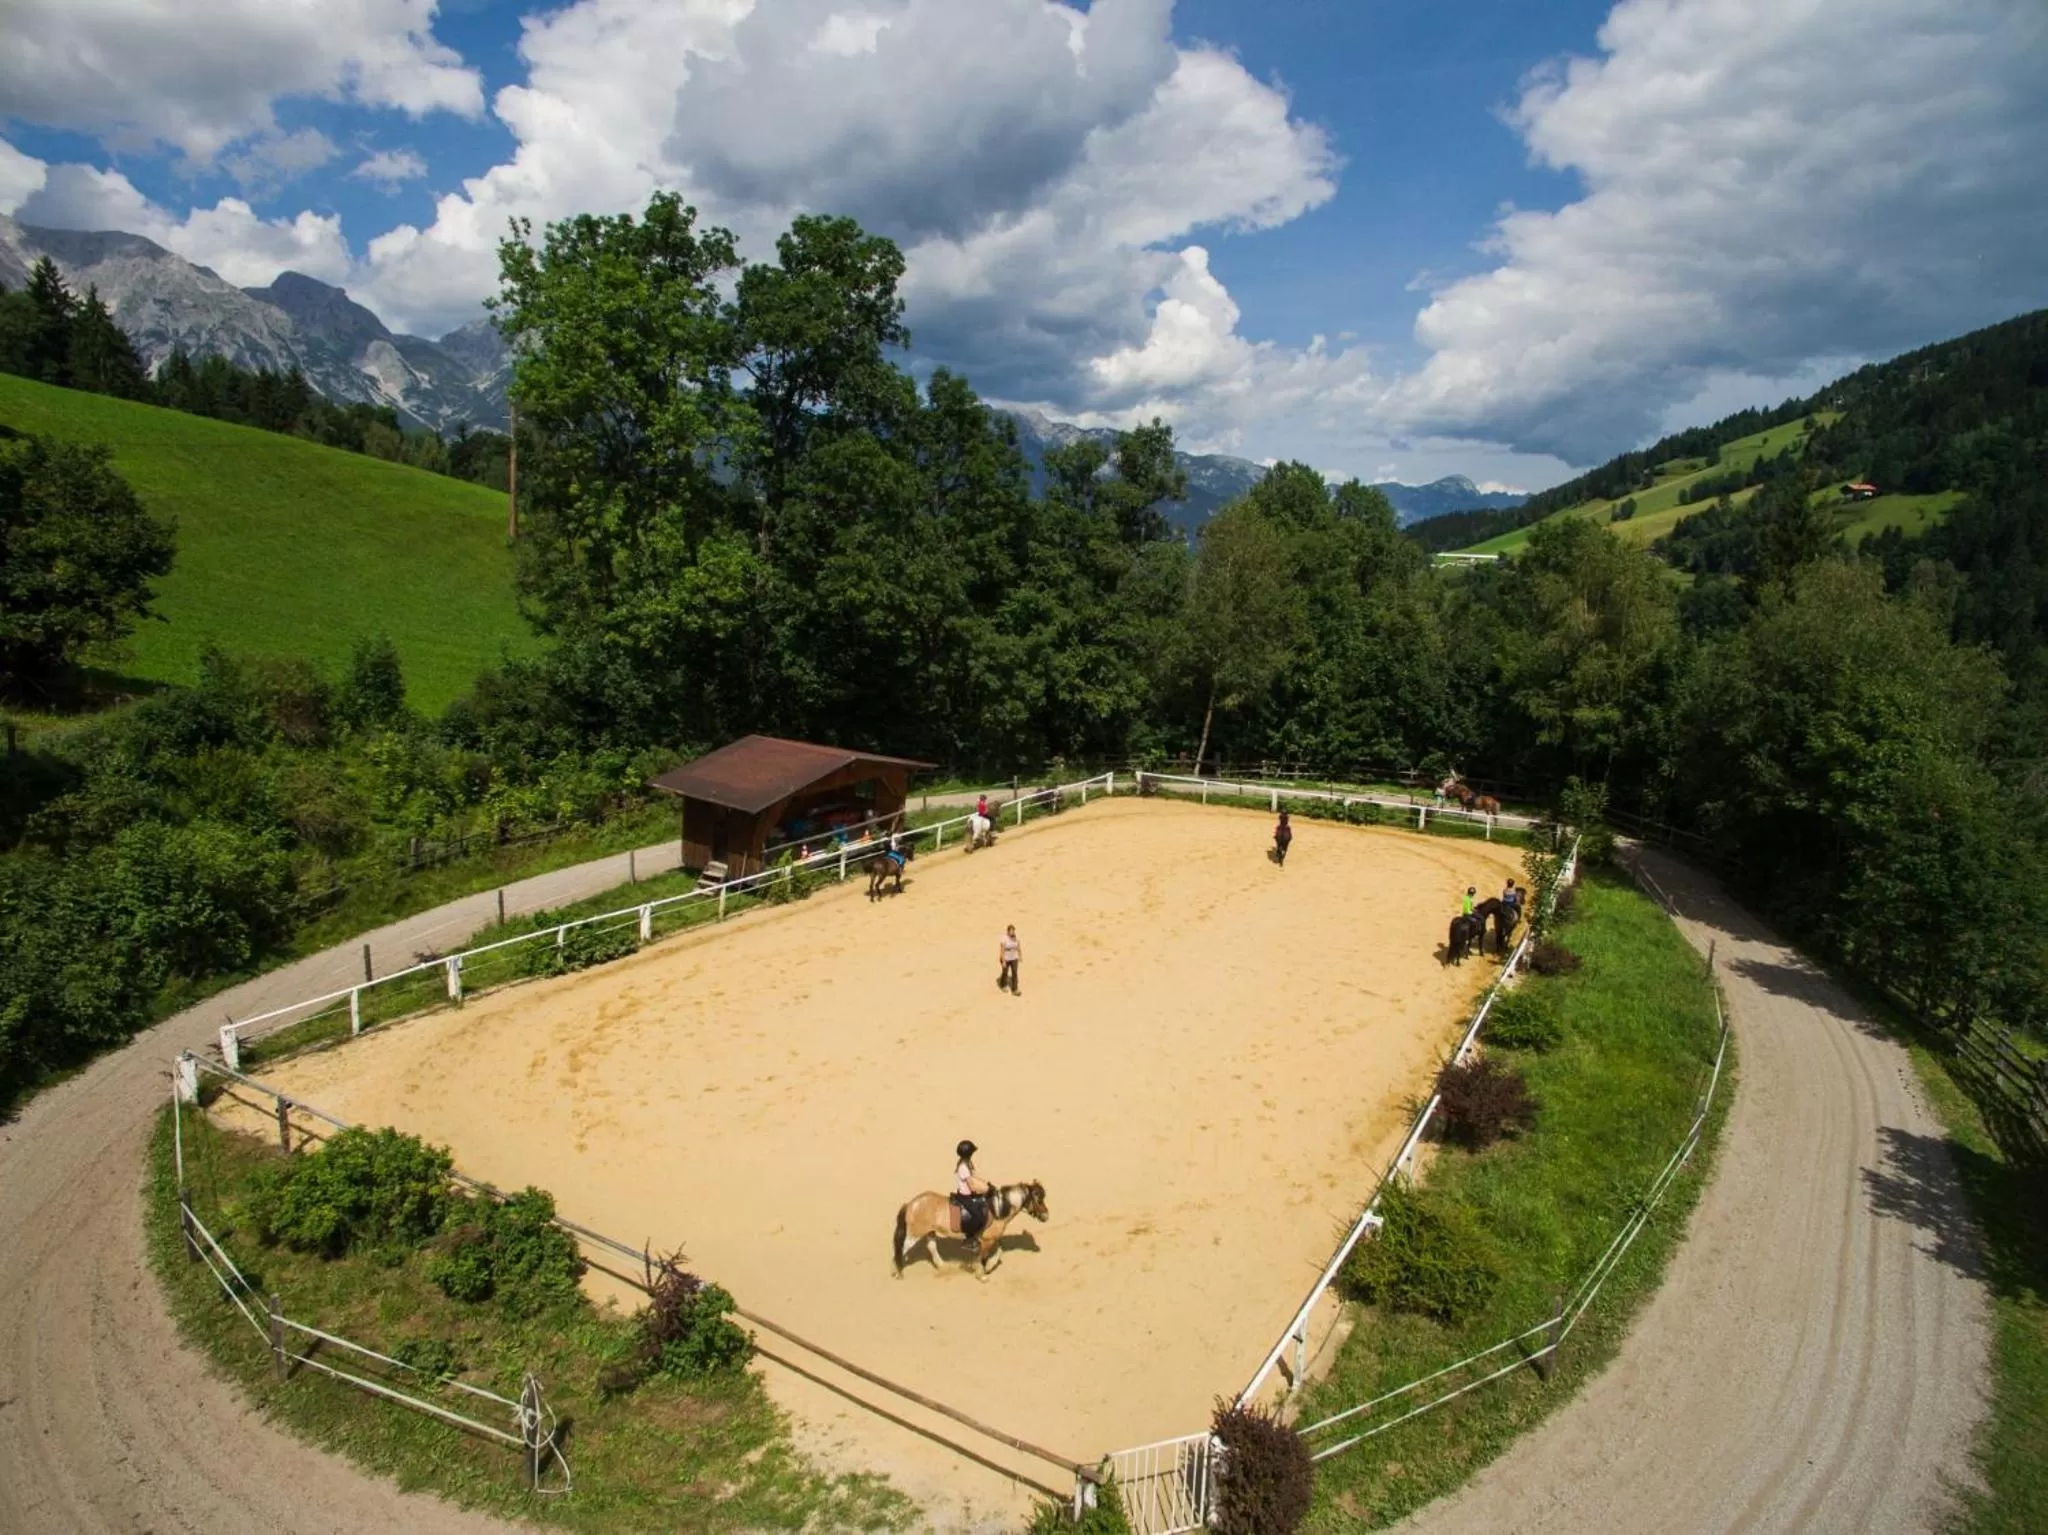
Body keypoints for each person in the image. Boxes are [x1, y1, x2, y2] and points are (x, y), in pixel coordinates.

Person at [952, 1139, 991, 1246]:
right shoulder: (963, 1167)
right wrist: (985, 1190)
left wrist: (986, 1183)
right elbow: (972, 1185)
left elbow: (974, 1178)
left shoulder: (966, 1163)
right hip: (965, 1197)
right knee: (979, 1216)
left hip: (969, 1194)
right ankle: (969, 1239)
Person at [997, 924, 1022, 994]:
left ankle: (1015, 989)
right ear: (1008, 931)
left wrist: (1020, 956)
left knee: (1015, 973)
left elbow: (1018, 947)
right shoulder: (1004, 938)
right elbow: (1002, 950)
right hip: (1006, 958)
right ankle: (1003, 984)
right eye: (1011, 931)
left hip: (1014, 958)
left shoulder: (1016, 938)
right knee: (1005, 972)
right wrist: (1003, 961)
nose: (1012, 932)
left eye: (1013, 931)